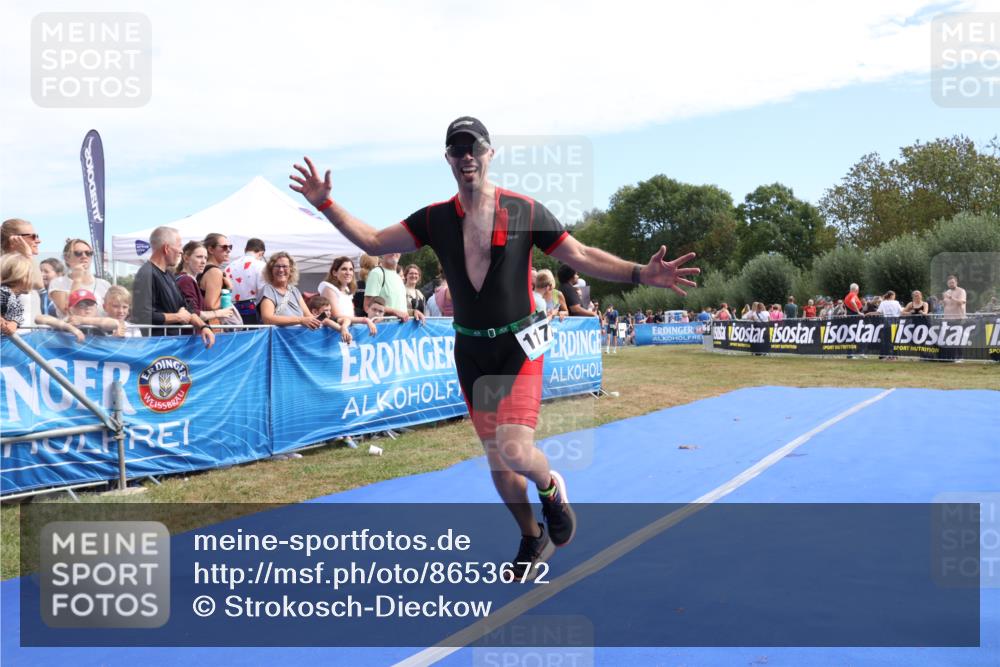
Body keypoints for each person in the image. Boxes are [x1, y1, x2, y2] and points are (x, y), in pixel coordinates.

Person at [290, 117, 699, 580]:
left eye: (474, 148)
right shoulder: (435, 218)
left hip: (519, 346)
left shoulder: (523, 210)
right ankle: (531, 535)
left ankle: (550, 489)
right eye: (457, 149)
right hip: (472, 352)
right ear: (448, 159)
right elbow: (372, 241)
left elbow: (580, 256)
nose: (467, 157)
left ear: (490, 154)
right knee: (498, 462)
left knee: (515, 449)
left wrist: (641, 274)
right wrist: (324, 202)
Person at [131, 226, 215, 347]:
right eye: (179, 246)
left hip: (173, 346)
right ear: (166, 248)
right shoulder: (147, 273)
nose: (181, 251)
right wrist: (177, 317)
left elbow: (186, 307)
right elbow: (142, 315)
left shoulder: (169, 274)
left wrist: (203, 327)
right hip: (156, 349)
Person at [176, 241, 236, 325]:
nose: (203, 261)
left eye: (205, 258)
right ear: (186, 258)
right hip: (190, 335)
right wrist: (219, 313)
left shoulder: (187, 279)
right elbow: (193, 313)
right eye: (199, 257)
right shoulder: (186, 280)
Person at [48, 238, 111, 317]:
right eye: (78, 253)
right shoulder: (58, 282)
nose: (84, 256)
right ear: (67, 258)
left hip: (100, 329)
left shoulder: (104, 284)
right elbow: (67, 311)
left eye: (88, 253)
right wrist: (77, 280)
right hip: (70, 329)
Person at [258, 252, 321, 329]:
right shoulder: (268, 290)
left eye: (285, 266)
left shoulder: (294, 290)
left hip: (297, 338)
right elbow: (268, 319)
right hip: (278, 339)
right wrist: (300, 320)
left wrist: (320, 319)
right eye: (277, 266)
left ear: (291, 270)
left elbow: (308, 316)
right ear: (271, 270)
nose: (281, 270)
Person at [318, 256, 378, 335]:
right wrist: (365, 320)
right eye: (344, 269)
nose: (348, 273)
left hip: (347, 332)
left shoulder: (347, 290)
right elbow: (338, 316)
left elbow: (350, 315)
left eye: (351, 269)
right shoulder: (329, 289)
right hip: (333, 335)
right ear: (334, 272)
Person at [1, 218, 44, 325]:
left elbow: (39, 285)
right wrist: (28, 254)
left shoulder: (26, 264)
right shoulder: (4, 266)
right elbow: (38, 284)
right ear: (14, 240)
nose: (38, 240)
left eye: (37, 236)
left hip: (29, 339)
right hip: (10, 339)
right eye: (33, 236)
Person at [364, 253, 422, 322]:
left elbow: (400, 310)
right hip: (384, 329)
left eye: (397, 249)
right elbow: (367, 306)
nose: (394, 252)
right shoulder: (376, 273)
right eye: (390, 249)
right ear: (383, 252)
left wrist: (413, 312)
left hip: (400, 330)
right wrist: (394, 312)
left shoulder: (398, 277)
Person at [199, 233, 239, 327]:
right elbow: (211, 306)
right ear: (211, 249)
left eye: (230, 247)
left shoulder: (204, 269)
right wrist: (228, 289)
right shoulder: (214, 272)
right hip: (211, 326)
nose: (228, 250)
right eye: (224, 247)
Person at [225, 238, 267, 324]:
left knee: (236, 336)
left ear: (245, 249)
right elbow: (264, 290)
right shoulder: (262, 265)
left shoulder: (229, 267)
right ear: (262, 253)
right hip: (253, 309)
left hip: (232, 310)